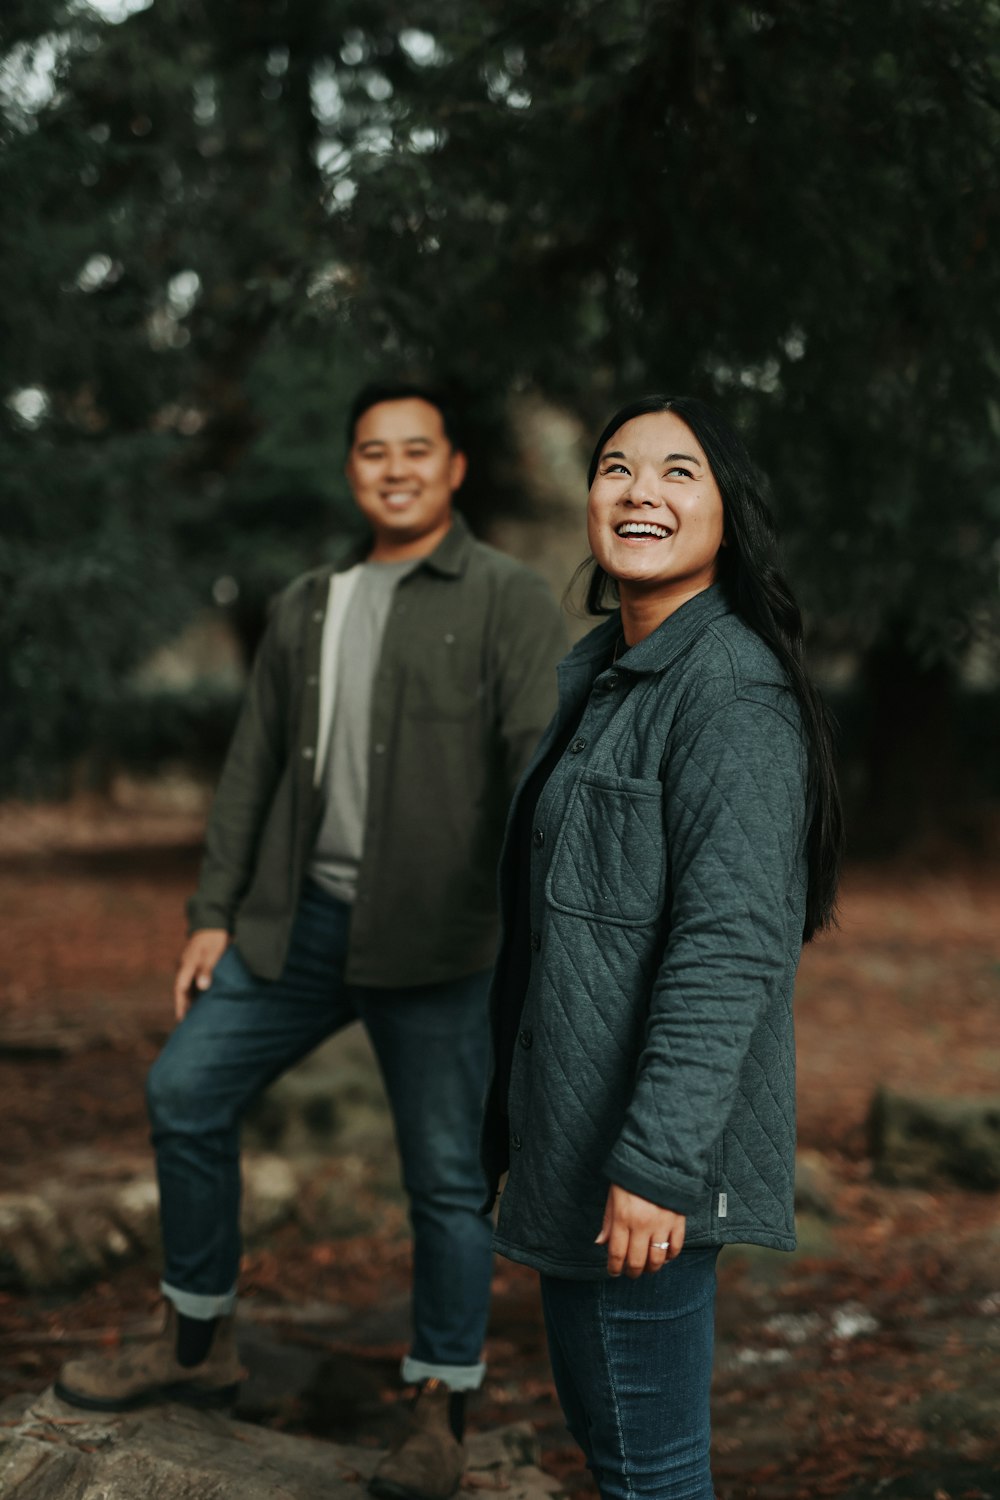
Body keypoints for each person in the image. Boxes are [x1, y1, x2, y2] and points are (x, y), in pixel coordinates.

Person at [56, 382, 566, 1500]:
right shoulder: (307, 604)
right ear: (352, 471)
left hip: (439, 941)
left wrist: (539, 939)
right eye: (372, 451)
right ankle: (198, 1345)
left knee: (443, 1177)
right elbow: (250, 771)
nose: (394, 468)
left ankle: (443, 1411)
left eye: (415, 450)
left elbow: (537, 770)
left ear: (453, 468)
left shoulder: (506, 600)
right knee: (184, 1090)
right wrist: (209, 914)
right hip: (298, 927)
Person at [481, 395, 843, 1500]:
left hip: (645, 1171)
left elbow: (732, 949)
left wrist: (654, 1166)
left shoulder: (728, 689)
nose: (640, 492)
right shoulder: (609, 676)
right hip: (577, 1144)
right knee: (619, 1460)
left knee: (653, 1475)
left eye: (679, 472)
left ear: (727, 516)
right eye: (616, 468)